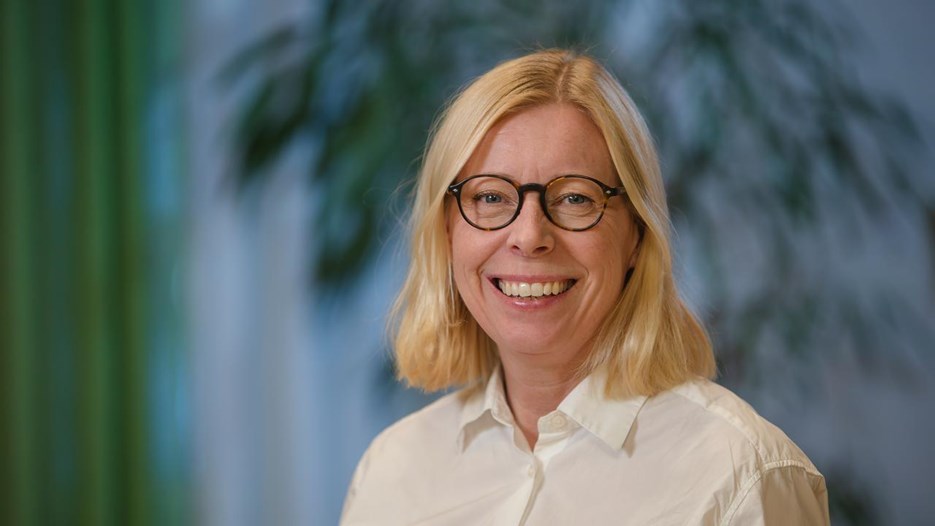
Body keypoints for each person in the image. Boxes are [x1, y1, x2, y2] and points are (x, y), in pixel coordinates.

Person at [341, 49, 829, 525]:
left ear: (637, 234)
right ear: (447, 229)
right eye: (490, 196)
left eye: (575, 198)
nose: (529, 236)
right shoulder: (391, 473)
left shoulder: (742, 475)